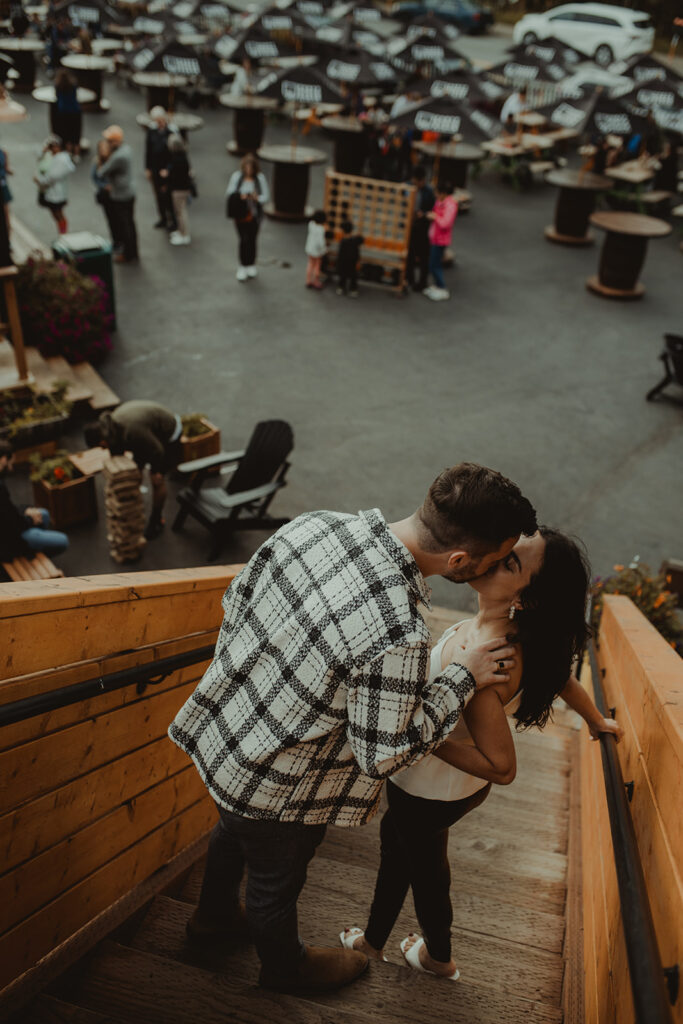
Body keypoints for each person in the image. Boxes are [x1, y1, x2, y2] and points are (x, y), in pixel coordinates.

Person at [169, 463, 538, 994]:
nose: (498, 566)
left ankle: (212, 919)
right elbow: (383, 755)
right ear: (458, 561)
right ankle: (285, 969)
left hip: (226, 737)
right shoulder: (396, 631)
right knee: (275, 883)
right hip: (279, 784)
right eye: (495, 557)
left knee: (231, 829)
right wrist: (462, 677)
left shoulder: (315, 524)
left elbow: (237, 603)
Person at [341, 527, 623, 979]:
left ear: (527, 598)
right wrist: (596, 720)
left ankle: (430, 955)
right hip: (454, 790)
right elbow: (561, 676)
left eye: (512, 562)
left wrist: (420, 735)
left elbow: (503, 767)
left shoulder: (484, 659)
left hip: (429, 789)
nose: (496, 556)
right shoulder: (516, 635)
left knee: (415, 864)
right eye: (508, 548)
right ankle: (382, 942)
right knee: (409, 854)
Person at [84, 400, 182, 539]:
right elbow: (118, 457)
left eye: (101, 445)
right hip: (145, 433)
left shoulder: (132, 431)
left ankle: (156, 520)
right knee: (135, 470)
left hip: (167, 433)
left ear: (103, 438)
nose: (102, 448)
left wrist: (156, 470)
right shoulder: (110, 429)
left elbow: (157, 451)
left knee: (157, 480)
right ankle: (133, 504)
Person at [0, 439, 69, 562]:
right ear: (3, 459)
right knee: (63, 541)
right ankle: (31, 552)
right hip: (7, 543)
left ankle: (36, 541)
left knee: (44, 514)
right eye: (10, 464)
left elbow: (8, 511)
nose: (10, 468)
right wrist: (30, 519)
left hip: (9, 529)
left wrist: (26, 510)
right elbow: (11, 525)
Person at [97, 125, 138, 264]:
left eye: (109, 140)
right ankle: (133, 252)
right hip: (129, 192)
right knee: (130, 224)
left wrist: (105, 156)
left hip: (120, 195)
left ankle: (128, 254)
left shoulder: (118, 156)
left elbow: (101, 172)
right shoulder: (126, 150)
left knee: (124, 226)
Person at [226, 153, 269, 282]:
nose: (248, 171)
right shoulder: (237, 177)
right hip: (240, 214)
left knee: (252, 239)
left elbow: (265, 196)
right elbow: (229, 192)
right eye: (247, 168)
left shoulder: (259, 179)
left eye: (251, 168)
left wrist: (257, 198)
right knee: (243, 239)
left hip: (254, 215)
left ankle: (251, 264)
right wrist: (241, 196)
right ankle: (242, 265)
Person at [34, 134, 75, 234]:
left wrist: (39, 180)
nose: (51, 149)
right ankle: (62, 233)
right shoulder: (53, 156)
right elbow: (39, 156)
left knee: (58, 214)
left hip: (56, 194)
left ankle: (63, 234)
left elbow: (52, 177)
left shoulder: (61, 160)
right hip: (50, 191)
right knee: (56, 214)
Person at [424, 180, 457, 302]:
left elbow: (445, 223)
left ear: (443, 193)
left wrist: (435, 217)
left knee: (435, 264)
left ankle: (442, 288)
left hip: (441, 240)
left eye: (437, 193)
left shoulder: (450, 205)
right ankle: (437, 286)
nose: (436, 195)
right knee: (433, 263)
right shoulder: (440, 202)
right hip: (435, 237)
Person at [145, 107, 176, 231]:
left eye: (160, 120)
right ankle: (163, 218)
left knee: (168, 196)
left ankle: (172, 220)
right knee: (158, 195)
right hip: (155, 168)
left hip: (166, 171)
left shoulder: (171, 133)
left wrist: (169, 169)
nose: (159, 123)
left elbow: (175, 154)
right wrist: (147, 168)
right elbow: (148, 151)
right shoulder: (151, 132)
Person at [161, 134, 195, 246]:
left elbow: (177, 175)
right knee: (179, 212)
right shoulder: (182, 156)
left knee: (180, 213)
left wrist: (167, 174)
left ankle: (184, 235)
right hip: (181, 188)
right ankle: (181, 231)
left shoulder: (177, 159)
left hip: (179, 189)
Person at [406, 165, 435, 293]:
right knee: (410, 254)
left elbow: (432, 209)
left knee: (424, 256)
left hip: (423, 227)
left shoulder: (429, 192)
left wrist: (423, 214)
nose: (421, 183)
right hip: (410, 226)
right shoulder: (407, 187)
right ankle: (409, 278)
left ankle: (422, 282)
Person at [52, 69, 82, 158]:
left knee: (67, 133)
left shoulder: (58, 86)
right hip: (75, 112)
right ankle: (76, 154)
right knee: (75, 134)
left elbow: (57, 97)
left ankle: (68, 153)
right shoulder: (73, 85)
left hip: (63, 113)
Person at [335, 219, 363, 297]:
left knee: (343, 276)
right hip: (353, 262)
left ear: (343, 230)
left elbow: (340, 254)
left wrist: (338, 263)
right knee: (353, 276)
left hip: (344, 262)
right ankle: (353, 289)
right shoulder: (355, 240)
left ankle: (341, 287)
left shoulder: (343, 241)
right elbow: (361, 239)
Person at [305, 208, 327, 289]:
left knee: (310, 264)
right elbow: (320, 242)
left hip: (310, 248)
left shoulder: (311, 224)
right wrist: (324, 249)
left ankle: (308, 280)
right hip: (317, 251)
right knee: (317, 265)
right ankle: (316, 281)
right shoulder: (321, 229)